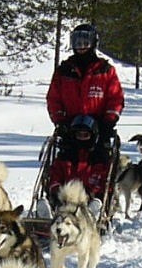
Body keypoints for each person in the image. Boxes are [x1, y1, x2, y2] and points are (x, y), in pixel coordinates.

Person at [40, 23, 125, 217]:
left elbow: (116, 97)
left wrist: (108, 121)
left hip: (98, 130)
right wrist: (60, 121)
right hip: (70, 129)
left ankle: (97, 203)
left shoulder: (105, 71)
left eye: (85, 40)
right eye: (77, 41)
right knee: (63, 165)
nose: (81, 45)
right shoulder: (64, 70)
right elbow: (54, 98)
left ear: (94, 42)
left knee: (100, 167)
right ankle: (53, 202)